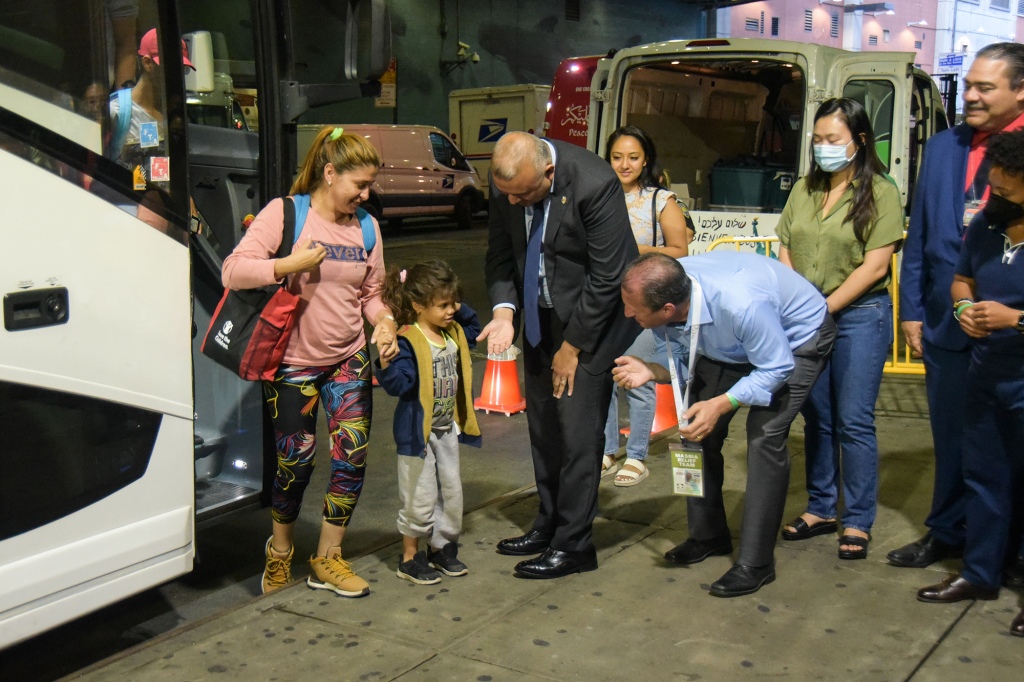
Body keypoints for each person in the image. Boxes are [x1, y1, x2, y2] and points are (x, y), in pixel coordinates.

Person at [222, 127, 399, 596]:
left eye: (368, 187)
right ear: (328, 173)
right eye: (357, 185)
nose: (364, 195)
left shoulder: (365, 226)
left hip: (348, 359)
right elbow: (233, 270)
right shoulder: (286, 212)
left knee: (351, 458)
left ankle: (328, 556)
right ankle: (280, 552)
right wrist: (287, 265)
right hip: (292, 363)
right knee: (295, 464)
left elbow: (372, 293)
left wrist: (383, 323)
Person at [612, 252, 835, 597]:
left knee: (763, 438)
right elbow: (680, 357)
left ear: (668, 309)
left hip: (794, 341)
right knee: (693, 434)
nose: (627, 314)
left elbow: (775, 368)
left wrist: (723, 402)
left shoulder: (741, 304)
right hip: (728, 347)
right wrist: (651, 370)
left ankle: (756, 563)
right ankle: (706, 535)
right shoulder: (670, 290)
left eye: (634, 309)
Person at [479, 132, 640, 579]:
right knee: (544, 428)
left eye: (524, 194)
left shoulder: (593, 182)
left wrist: (573, 347)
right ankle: (547, 523)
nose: (514, 203)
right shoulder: (508, 181)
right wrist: (505, 311)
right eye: (507, 194)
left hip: (592, 323)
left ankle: (574, 544)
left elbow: (609, 275)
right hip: (538, 316)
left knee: (578, 434)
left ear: (548, 173)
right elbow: (499, 253)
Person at [894, 42, 1024, 572]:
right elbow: (923, 230)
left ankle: (1005, 547)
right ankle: (947, 532)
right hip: (948, 321)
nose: (969, 95)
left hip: (1014, 333)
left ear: (1020, 91)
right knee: (951, 438)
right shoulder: (946, 145)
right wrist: (912, 309)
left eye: (984, 87)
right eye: (968, 85)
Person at [776, 99, 904, 560]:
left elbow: (874, 267)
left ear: (860, 140)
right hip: (809, 314)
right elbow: (786, 243)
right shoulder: (806, 189)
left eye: (834, 140)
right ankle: (822, 506)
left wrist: (821, 308)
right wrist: (800, 303)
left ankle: (857, 519)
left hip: (859, 318)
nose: (823, 148)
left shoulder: (882, 191)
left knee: (853, 420)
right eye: (817, 139)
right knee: (819, 418)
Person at [916, 130, 1024, 638]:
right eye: (991, 189)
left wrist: (1014, 320)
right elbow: (962, 279)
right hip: (989, 374)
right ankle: (980, 574)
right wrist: (963, 309)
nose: (991, 201)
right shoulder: (986, 224)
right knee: (986, 477)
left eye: (1004, 193)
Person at [376, 260, 482, 586]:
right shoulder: (410, 339)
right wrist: (385, 361)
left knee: (451, 494)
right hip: (417, 435)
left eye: (454, 303)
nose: (452, 310)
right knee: (419, 497)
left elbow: (474, 327)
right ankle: (410, 557)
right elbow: (398, 385)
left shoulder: (453, 333)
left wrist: (455, 302)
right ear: (418, 305)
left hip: (446, 428)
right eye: (444, 305)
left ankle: (441, 549)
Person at [602, 126, 689, 487]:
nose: (625, 164)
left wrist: (631, 254)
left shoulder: (660, 200)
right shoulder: (598, 197)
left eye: (633, 157)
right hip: (605, 300)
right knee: (603, 377)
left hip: (643, 303)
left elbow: (679, 250)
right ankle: (606, 450)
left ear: (646, 160)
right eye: (617, 157)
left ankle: (636, 455)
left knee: (635, 377)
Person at [107, 28, 195, 170]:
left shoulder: (175, 114)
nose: (177, 76)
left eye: (182, 68)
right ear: (148, 63)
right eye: (170, 68)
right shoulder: (117, 111)